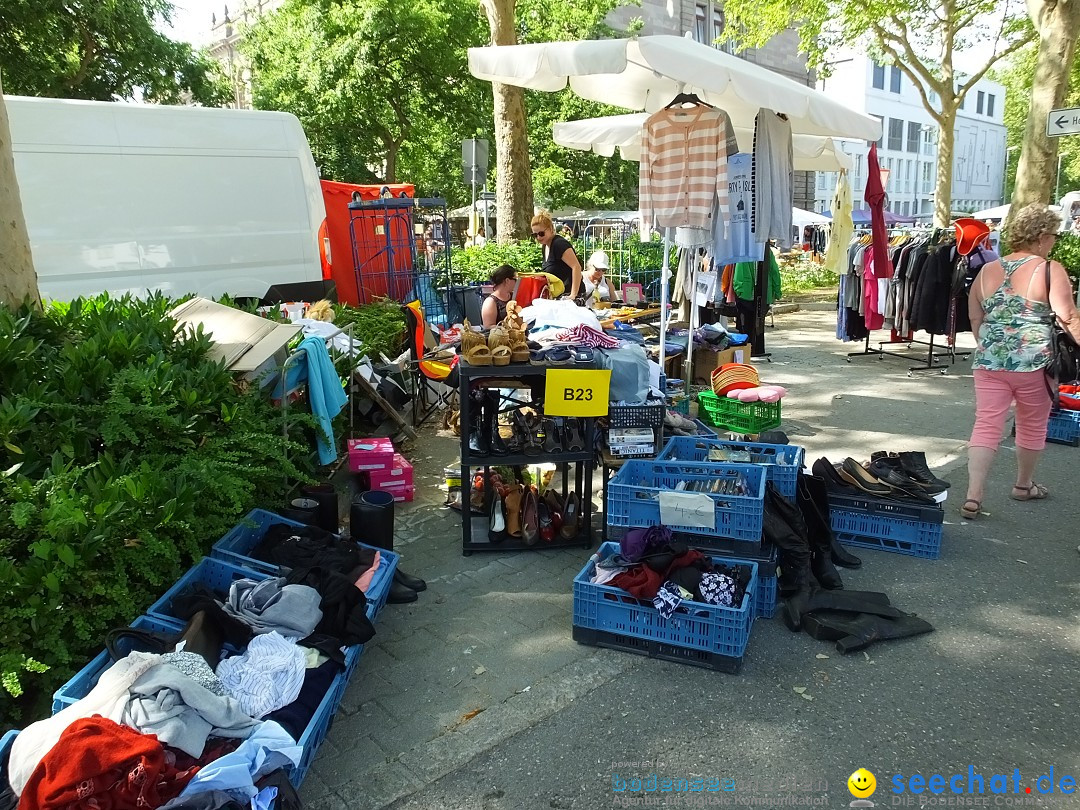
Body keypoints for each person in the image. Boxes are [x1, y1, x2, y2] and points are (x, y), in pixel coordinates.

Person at [961, 203, 1080, 520]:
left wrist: (991, 346)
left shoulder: (986, 271)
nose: (1054, 241)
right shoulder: (1049, 269)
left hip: (989, 362)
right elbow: (1068, 316)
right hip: (1034, 363)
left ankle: (973, 495)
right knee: (1032, 424)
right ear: (1041, 236)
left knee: (986, 424)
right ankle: (1023, 485)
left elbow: (976, 318)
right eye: (1053, 235)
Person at [531, 212, 582, 300]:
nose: (538, 237)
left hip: (569, 296)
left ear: (551, 229)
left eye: (541, 233)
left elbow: (576, 267)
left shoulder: (559, 244)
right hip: (559, 296)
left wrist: (573, 295)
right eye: (535, 235)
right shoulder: (545, 246)